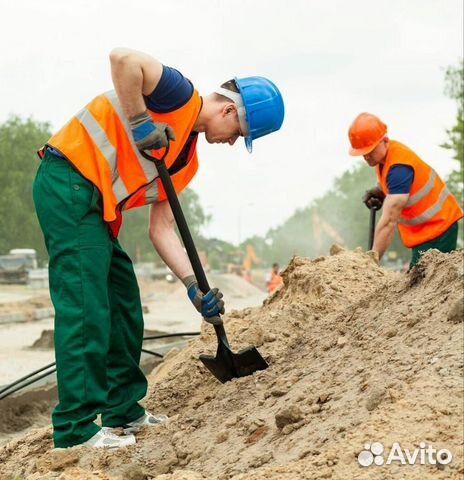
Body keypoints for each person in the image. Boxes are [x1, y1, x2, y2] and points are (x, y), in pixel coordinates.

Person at [32, 48, 284, 449]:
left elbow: (163, 228)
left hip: (94, 206)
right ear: (229, 113)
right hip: (68, 180)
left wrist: (193, 287)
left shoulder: (187, 161)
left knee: (125, 304)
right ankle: (75, 429)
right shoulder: (177, 95)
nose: (234, 143)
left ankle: (123, 410)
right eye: (240, 135)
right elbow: (122, 59)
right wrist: (139, 122)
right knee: (86, 305)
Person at [348, 112, 462, 267]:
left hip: (439, 229)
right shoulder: (383, 160)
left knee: (424, 287)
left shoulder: (399, 168)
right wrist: (380, 192)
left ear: (384, 140)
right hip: (425, 233)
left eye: (369, 150)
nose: (366, 156)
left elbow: (389, 221)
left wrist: (371, 262)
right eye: (362, 152)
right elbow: (394, 188)